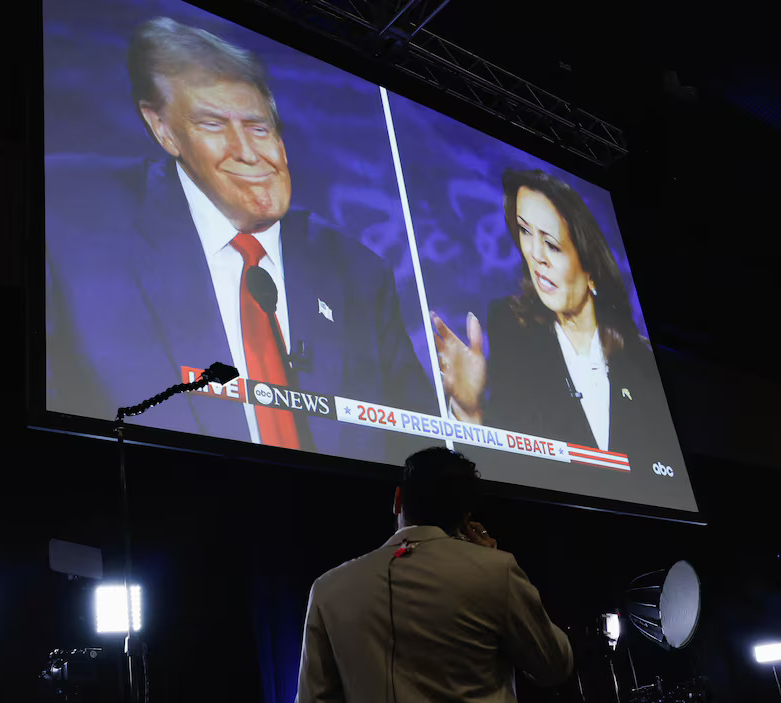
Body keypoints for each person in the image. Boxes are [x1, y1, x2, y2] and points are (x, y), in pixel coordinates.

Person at [45, 17, 437, 463]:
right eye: (212, 125)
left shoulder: (359, 274)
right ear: (163, 129)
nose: (248, 153)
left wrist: (462, 417)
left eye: (257, 126)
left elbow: (416, 454)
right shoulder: (70, 227)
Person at [432, 169, 675, 460]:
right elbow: (505, 464)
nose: (535, 254)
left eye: (551, 244)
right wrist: (468, 410)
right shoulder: (511, 329)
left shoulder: (642, 360)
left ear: (590, 268)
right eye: (524, 231)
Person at [296, 447, 573, 702]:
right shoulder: (496, 571)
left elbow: (314, 698)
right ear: (465, 516)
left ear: (397, 500)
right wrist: (491, 560)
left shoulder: (328, 588)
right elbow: (553, 665)